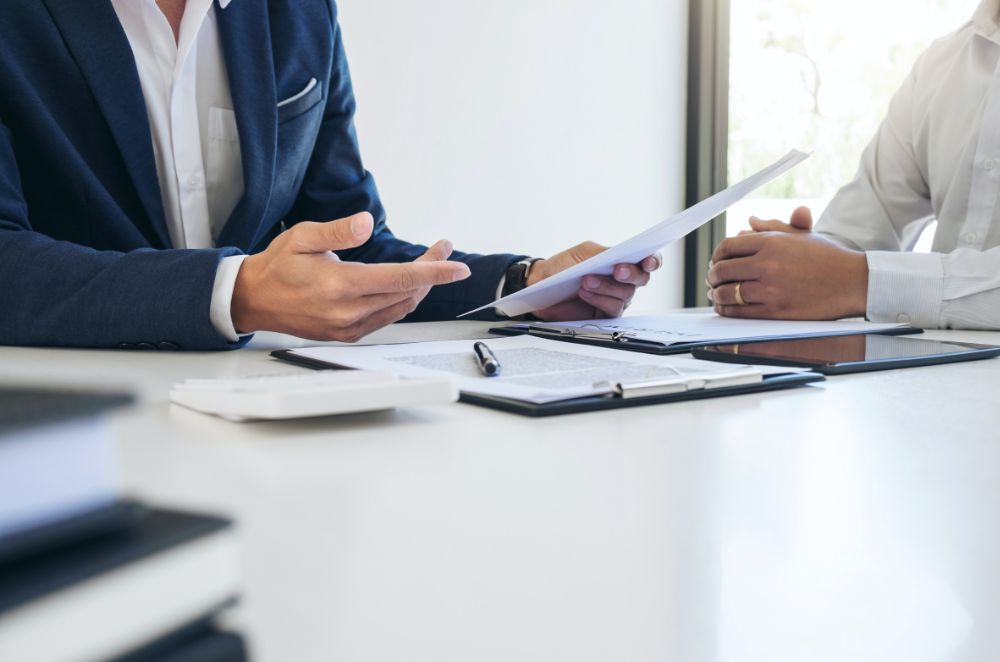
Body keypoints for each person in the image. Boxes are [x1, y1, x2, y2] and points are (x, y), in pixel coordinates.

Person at [0, 0, 661, 351]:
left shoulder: (300, 10)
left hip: (263, 433)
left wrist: (526, 285)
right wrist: (234, 291)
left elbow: (350, 250)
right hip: (61, 433)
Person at [708, 0, 1000, 331]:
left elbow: (850, 275)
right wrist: (789, 260)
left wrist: (858, 280)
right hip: (931, 375)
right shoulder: (942, 64)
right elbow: (863, 226)